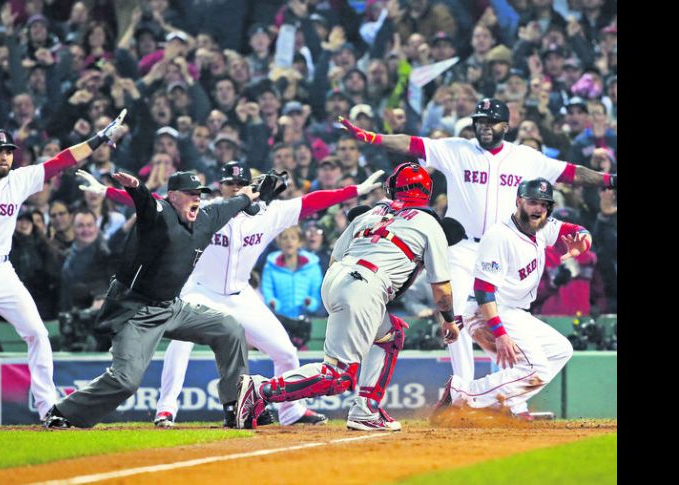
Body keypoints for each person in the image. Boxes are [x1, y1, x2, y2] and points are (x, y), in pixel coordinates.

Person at [77, 161, 383, 428]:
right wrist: (106, 192)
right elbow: (152, 203)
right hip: (200, 290)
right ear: (221, 187)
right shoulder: (206, 212)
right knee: (180, 347)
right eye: (229, 183)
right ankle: (166, 408)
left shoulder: (269, 214)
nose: (234, 186)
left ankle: (291, 410)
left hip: (241, 294)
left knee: (286, 352)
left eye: (240, 182)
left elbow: (314, 200)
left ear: (249, 187)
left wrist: (356, 189)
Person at [338, 97, 617, 384]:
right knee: (454, 313)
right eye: (480, 121)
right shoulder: (457, 149)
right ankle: (463, 386)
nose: (484, 126)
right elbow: (410, 143)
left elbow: (572, 174)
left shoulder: (526, 158)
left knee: (502, 320)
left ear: (505, 126)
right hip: (463, 247)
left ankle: (506, 393)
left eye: (490, 121)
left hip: (504, 247)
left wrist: (609, 180)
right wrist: (370, 137)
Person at [235, 163, 461, 431]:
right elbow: (442, 288)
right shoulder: (429, 222)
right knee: (338, 377)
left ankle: (366, 409)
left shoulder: (372, 213)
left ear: (392, 188)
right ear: (426, 193)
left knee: (390, 336)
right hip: (365, 286)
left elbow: (334, 258)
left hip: (337, 278)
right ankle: (261, 389)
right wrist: (448, 320)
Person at [42, 169, 261, 429]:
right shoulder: (160, 214)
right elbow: (146, 203)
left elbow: (231, 204)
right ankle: (63, 412)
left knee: (229, 328)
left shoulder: (206, 217)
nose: (197, 198)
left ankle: (235, 407)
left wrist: (249, 195)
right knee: (125, 381)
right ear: (172, 196)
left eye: (199, 193)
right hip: (135, 310)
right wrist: (136, 188)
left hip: (172, 307)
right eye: (190, 194)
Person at [0, 110, 126, 422]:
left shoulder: (20, 179)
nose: (5, 157)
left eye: (8, 152)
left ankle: (48, 409)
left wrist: (97, 140)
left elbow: (62, 161)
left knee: (38, 333)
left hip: (1, 271)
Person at [431, 178, 591, 420]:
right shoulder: (499, 235)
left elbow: (574, 230)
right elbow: (484, 288)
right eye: (533, 202)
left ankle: (505, 404)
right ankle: (464, 393)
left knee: (560, 350)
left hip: (514, 311)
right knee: (536, 368)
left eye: (544, 204)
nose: (538, 208)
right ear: (519, 201)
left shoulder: (541, 226)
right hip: (488, 310)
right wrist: (500, 333)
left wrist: (584, 239)